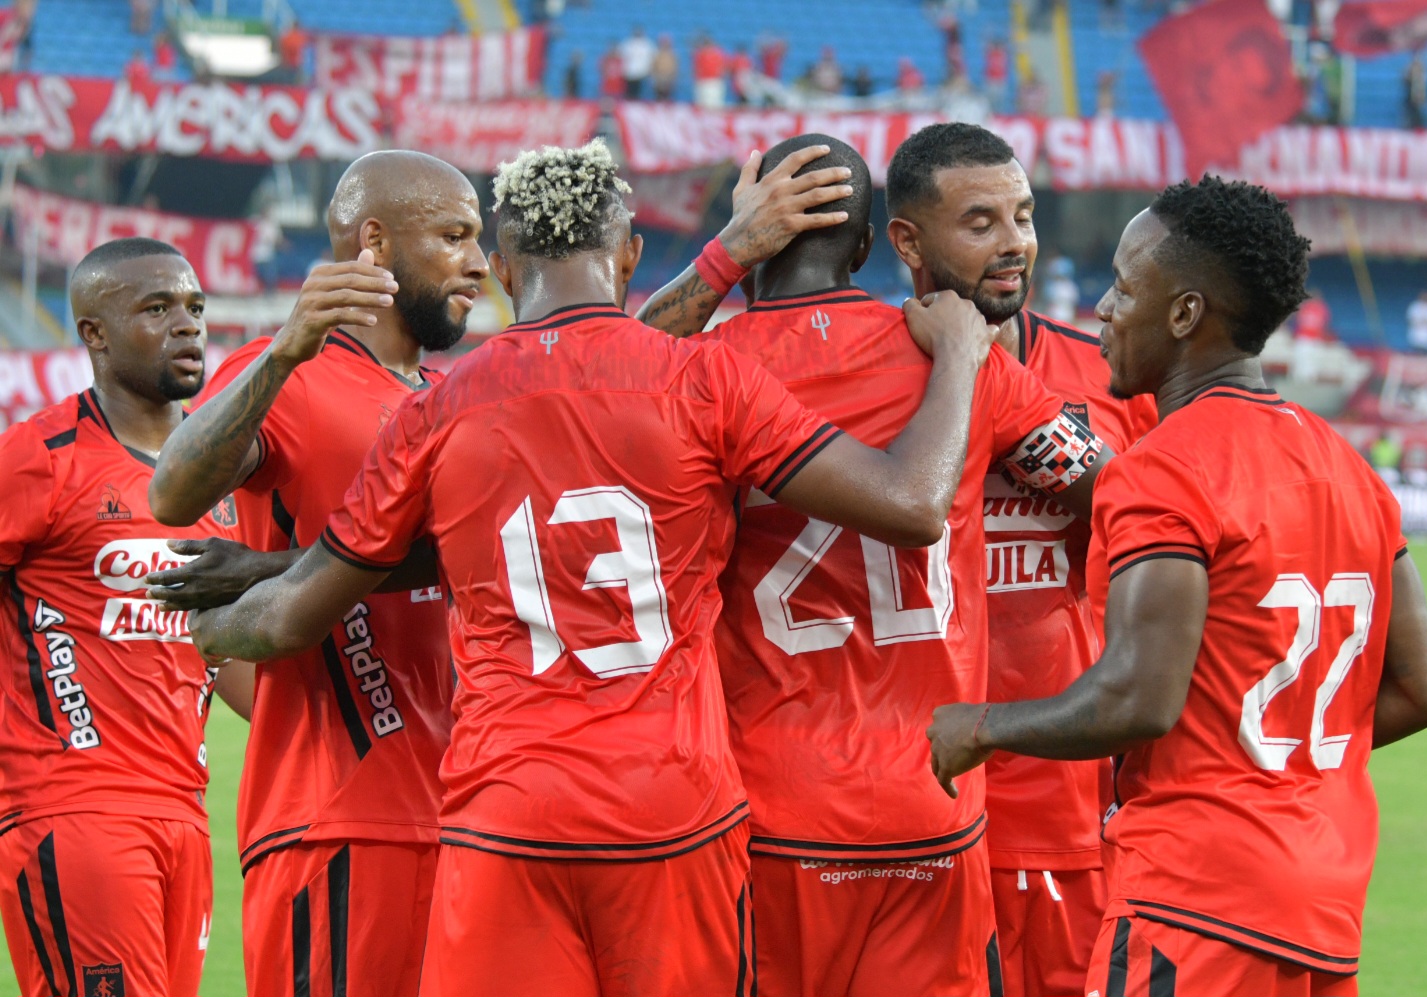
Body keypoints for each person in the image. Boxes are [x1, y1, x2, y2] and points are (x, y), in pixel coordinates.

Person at [188, 137, 996, 997]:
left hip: (509, 811)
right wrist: (958, 355)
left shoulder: (440, 408)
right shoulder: (702, 379)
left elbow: (289, 616)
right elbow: (912, 504)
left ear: (501, 264)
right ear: (630, 254)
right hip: (674, 808)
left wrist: (210, 622)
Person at [929, 176, 1427, 997]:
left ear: (1183, 314)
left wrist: (979, 726)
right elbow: (1420, 691)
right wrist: (1267, 762)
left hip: (1196, 895)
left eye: (1125, 286)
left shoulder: (1161, 471)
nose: (1101, 306)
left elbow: (1137, 698)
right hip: (1324, 894)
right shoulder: (1348, 466)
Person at [641, 133, 1113, 997]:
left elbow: (605, 378)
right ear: (870, 246)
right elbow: (1122, 495)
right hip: (930, 800)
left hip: (770, 801)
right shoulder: (965, 363)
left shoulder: (699, 372)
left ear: (752, 235)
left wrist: (721, 256)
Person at [147, 151, 480, 997]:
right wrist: (284, 350)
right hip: (340, 817)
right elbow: (174, 491)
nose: (478, 263)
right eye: (453, 236)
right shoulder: (292, 373)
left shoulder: (454, 395)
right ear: (374, 241)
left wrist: (266, 567)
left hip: (476, 818)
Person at [885, 121, 1158, 997]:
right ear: (907, 240)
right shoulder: (859, 380)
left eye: (1024, 216)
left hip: (1065, 812)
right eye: (979, 222)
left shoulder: (1113, 381)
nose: (1014, 243)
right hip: (899, 804)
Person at [0, 238, 251, 997]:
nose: (187, 324)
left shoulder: (221, 478)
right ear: (95, 334)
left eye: (196, 307)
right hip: (74, 807)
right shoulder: (39, 458)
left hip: (183, 813)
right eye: (157, 307)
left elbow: (237, 662)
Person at [619, 25, 655, 100]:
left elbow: (653, 59)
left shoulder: (648, 44)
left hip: (643, 74)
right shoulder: (628, 43)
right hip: (630, 74)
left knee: (640, 95)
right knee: (630, 94)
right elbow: (621, 57)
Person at [651, 34, 678, 100]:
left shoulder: (672, 54)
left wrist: (673, 77)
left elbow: (675, 66)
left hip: (669, 77)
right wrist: (654, 76)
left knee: (667, 95)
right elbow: (653, 65)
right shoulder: (657, 54)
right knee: (659, 95)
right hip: (659, 77)